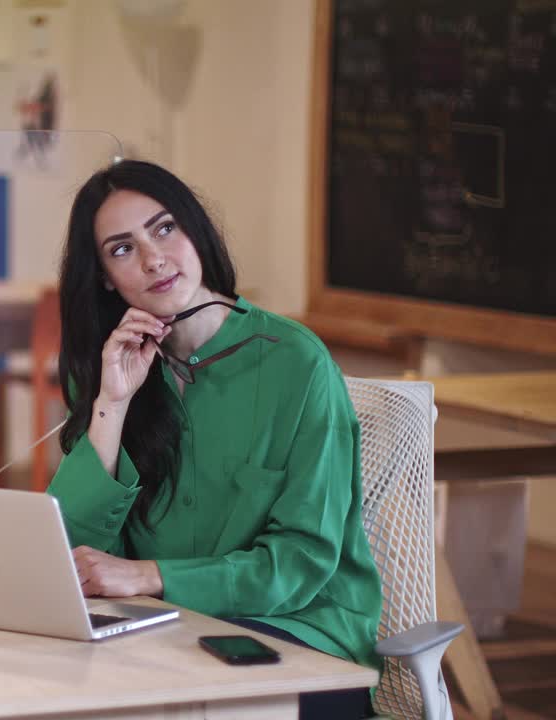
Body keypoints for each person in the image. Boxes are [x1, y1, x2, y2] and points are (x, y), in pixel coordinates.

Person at [46, 160, 382, 720]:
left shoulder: (296, 362)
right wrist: (113, 402)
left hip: (300, 638)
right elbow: (73, 553)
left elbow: (301, 561)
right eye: (122, 248)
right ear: (105, 276)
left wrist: (153, 577)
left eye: (164, 228)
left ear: (196, 231)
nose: (154, 258)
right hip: (161, 637)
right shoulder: (111, 366)